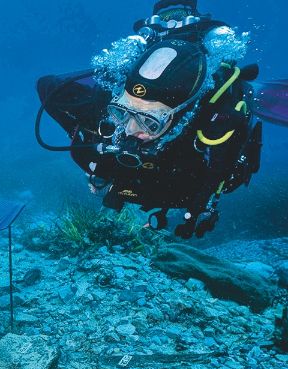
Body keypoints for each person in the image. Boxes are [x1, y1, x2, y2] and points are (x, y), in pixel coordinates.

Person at [35, 0, 262, 238]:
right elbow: (48, 87)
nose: (131, 130)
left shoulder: (205, 128)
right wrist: (86, 130)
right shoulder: (111, 114)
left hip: (178, 188)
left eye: (149, 122)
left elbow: (221, 175)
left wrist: (197, 208)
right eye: (122, 113)